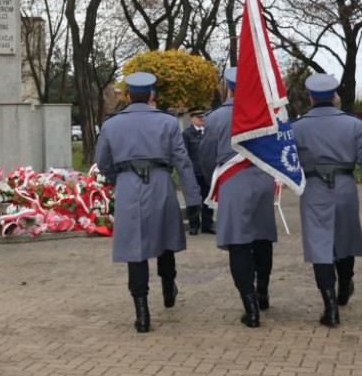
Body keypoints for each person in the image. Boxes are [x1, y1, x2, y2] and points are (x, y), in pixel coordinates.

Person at [95, 72, 202, 334]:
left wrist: (118, 180)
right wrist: (193, 199)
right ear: (152, 96)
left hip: (130, 186)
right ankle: (168, 287)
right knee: (165, 239)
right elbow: (182, 162)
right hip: (161, 184)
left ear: (129, 96)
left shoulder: (112, 125)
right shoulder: (168, 123)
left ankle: (142, 313)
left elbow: (103, 162)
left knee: (135, 249)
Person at [291, 73, 362, 327]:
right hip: (345, 189)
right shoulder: (353, 124)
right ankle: (345, 284)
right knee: (345, 239)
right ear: (334, 96)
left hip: (315, 190)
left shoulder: (298, 128)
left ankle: (330, 308)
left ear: (310, 97)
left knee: (320, 247)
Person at [198, 67, 278, 328]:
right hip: (264, 180)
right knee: (263, 237)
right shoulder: (266, 113)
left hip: (234, 182)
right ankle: (263, 292)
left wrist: (215, 177)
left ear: (229, 88)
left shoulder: (217, 117)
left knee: (239, 243)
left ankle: (251, 307)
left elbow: (207, 155)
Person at [181, 108, 215, 235]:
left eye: (203, 117)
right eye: (199, 117)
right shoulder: (187, 134)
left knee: (208, 198)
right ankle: (194, 225)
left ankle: (207, 225)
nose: (202, 119)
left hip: (207, 170)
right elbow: (184, 153)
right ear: (192, 118)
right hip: (193, 171)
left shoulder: (208, 132)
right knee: (193, 199)